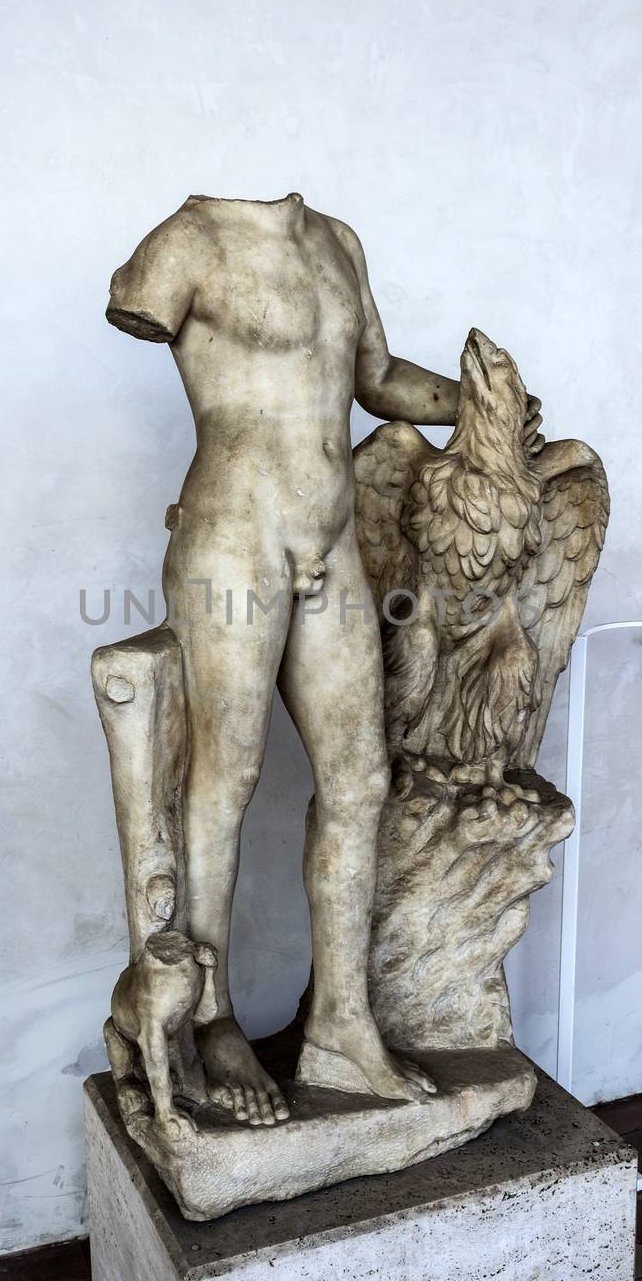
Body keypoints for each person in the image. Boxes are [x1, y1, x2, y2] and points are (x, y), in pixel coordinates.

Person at [107, 193, 465, 1127]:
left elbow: (377, 380)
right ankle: (215, 1017)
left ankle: (343, 1024)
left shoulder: (335, 238)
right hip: (235, 536)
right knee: (225, 777)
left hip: (330, 542)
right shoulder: (184, 242)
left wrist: (479, 403)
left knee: (360, 779)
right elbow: (140, 309)